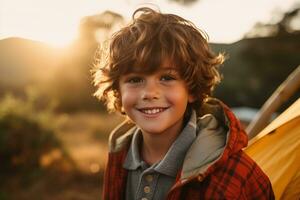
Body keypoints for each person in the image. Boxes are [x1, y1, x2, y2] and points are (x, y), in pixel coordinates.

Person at [93, 7, 275, 200]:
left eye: (166, 77)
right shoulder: (119, 154)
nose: (150, 93)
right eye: (135, 80)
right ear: (118, 91)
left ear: (192, 89)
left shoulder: (237, 175)